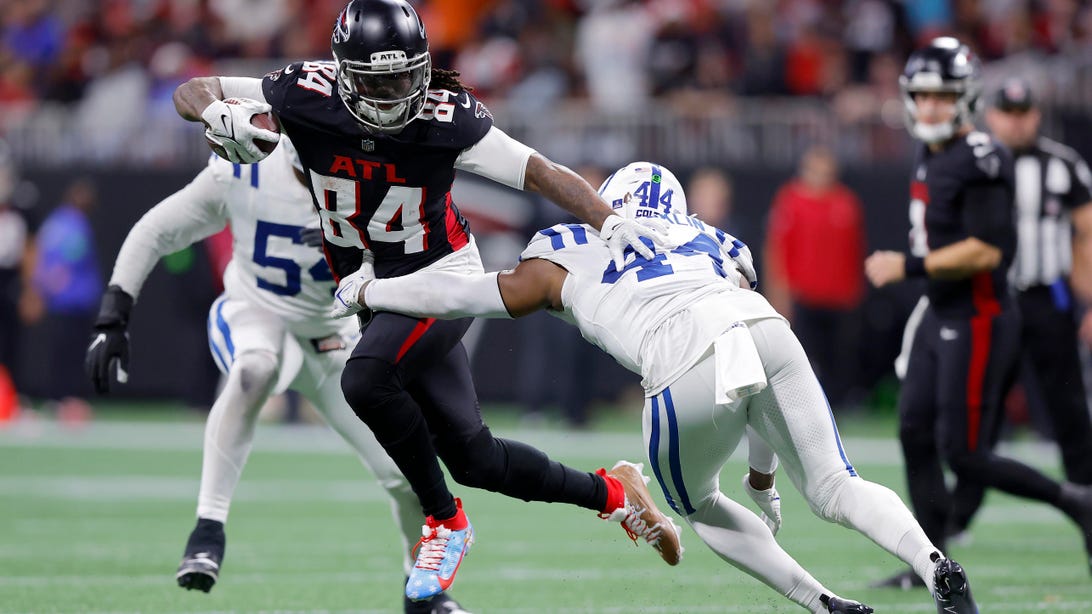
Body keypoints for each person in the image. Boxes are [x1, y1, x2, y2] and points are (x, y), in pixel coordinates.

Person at [170, 0, 676, 601]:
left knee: (364, 381)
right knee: (477, 459)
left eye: (404, 77)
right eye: (377, 81)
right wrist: (219, 112)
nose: (392, 94)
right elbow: (192, 89)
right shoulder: (304, 91)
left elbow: (538, 171)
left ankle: (444, 522)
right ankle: (617, 494)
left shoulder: (445, 116)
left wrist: (609, 220)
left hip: (440, 278)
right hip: (375, 290)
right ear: (343, 73)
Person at [348, 161, 980, 614]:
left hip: (680, 356)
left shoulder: (569, 243)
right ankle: (934, 564)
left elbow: (468, 294)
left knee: (697, 503)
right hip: (765, 329)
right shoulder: (712, 240)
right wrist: (762, 476)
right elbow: (749, 354)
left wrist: (376, 290)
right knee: (838, 486)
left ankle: (825, 604)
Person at [84, 139, 468, 614]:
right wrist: (114, 313)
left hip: (333, 336)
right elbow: (158, 229)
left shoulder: (376, 183)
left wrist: (361, 258)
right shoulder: (244, 172)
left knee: (409, 473)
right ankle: (208, 528)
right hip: (256, 314)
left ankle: (423, 593)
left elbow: (411, 265)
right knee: (255, 368)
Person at [864, 37, 1092, 589]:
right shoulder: (932, 150)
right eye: (922, 96)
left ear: (965, 98)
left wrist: (909, 265)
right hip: (939, 311)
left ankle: (1078, 501)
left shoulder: (983, 157)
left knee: (965, 455)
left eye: (942, 96)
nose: (931, 107)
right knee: (913, 430)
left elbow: (987, 250)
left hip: (979, 316)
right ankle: (933, 563)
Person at [943, 77, 1092, 541]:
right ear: (991, 115)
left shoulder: (1062, 165)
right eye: (1008, 111)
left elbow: (1088, 232)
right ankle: (954, 525)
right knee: (979, 416)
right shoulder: (969, 163)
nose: (1017, 120)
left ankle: (1088, 510)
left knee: (1069, 412)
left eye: (1025, 111)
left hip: (1047, 300)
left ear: (1037, 115)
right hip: (992, 301)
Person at [764, 145, 866, 408]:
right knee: (803, 356)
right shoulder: (791, 200)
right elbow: (777, 249)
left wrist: (854, 292)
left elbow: (853, 250)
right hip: (803, 296)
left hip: (838, 297)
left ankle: (836, 407)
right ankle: (802, 406)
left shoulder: (845, 202)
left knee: (838, 357)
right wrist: (779, 294)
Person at [33, 178, 101, 419]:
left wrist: (43, 285)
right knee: (69, 354)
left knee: (62, 353)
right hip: (72, 303)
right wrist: (51, 282)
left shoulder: (54, 222)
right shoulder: (73, 224)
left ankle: (59, 398)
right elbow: (66, 261)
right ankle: (66, 400)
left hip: (64, 303)